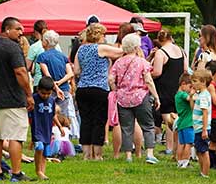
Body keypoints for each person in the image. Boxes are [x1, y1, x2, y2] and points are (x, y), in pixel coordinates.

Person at [0, 17, 34, 182]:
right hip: (13, 99)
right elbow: (20, 71)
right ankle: (16, 173)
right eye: (18, 29)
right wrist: (28, 94)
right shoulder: (12, 47)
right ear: (7, 29)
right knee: (16, 137)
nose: (21, 33)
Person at [73, 22, 124, 161]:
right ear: (98, 35)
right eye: (103, 34)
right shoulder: (100, 48)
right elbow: (120, 52)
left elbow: (76, 71)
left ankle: (86, 154)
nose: (105, 37)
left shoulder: (80, 50)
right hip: (99, 88)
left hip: (83, 88)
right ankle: (97, 154)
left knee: (86, 121)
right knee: (99, 121)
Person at [111, 33, 160, 164]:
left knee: (126, 128)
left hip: (123, 98)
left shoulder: (118, 62)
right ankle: (149, 154)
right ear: (136, 46)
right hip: (140, 96)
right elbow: (148, 80)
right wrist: (156, 96)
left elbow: (110, 78)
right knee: (148, 126)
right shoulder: (142, 62)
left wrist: (116, 89)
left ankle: (128, 156)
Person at [151, 29, 186, 156]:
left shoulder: (161, 53)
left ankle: (170, 147)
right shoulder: (181, 50)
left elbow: (157, 72)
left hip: (165, 88)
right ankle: (178, 146)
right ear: (171, 38)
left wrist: (148, 75)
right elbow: (185, 69)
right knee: (178, 117)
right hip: (178, 87)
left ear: (160, 41)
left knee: (168, 120)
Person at [35, 30, 75, 139]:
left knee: (49, 114)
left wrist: (55, 86)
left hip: (49, 90)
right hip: (65, 89)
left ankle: (50, 136)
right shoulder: (62, 56)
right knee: (63, 115)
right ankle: (65, 138)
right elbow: (70, 73)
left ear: (46, 42)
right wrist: (60, 83)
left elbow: (47, 75)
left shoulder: (42, 57)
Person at [30, 77, 56, 180]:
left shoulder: (52, 100)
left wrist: (59, 126)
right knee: (39, 147)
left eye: (48, 94)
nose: (45, 96)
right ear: (38, 90)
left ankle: (42, 173)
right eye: (43, 93)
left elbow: (53, 115)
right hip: (37, 129)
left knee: (45, 153)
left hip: (47, 130)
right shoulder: (34, 99)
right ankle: (38, 170)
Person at [192, 69, 214, 178]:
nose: (193, 84)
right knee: (199, 151)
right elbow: (193, 108)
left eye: (195, 81)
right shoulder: (200, 95)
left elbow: (205, 113)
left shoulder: (204, 96)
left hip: (202, 128)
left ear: (203, 82)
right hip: (198, 128)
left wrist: (204, 129)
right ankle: (202, 171)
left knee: (204, 151)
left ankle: (205, 173)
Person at [174, 73, 194, 169]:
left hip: (181, 122)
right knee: (188, 143)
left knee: (181, 144)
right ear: (183, 84)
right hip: (188, 122)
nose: (190, 89)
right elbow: (189, 98)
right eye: (190, 86)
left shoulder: (177, 95)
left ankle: (180, 161)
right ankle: (186, 162)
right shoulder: (182, 94)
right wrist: (193, 93)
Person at [26, 20, 48, 88]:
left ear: (35, 31)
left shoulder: (34, 47)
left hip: (39, 82)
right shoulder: (56, 45)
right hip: (53, 81)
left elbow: (27, 66)